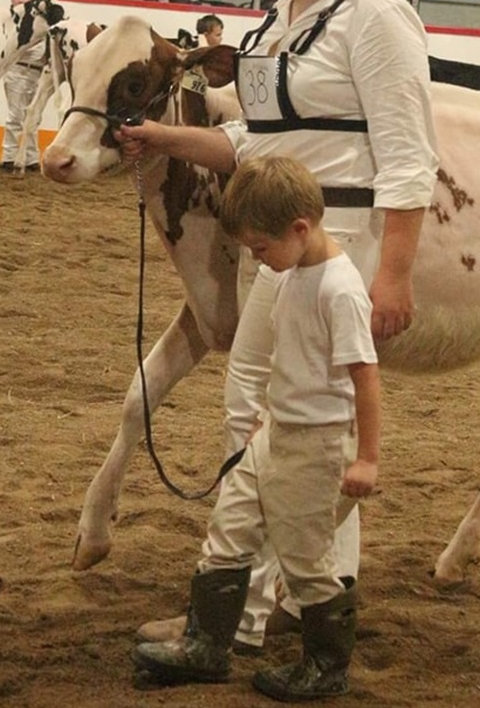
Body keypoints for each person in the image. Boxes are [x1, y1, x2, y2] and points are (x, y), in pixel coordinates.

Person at [120, 0, 438, 663]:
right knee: (269, 420)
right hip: (273, 247)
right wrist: (164, 139)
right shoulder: (285, 13)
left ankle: (244, 616)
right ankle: (308, 595)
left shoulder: (377, 14)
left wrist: (393, 271)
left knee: (285, 426)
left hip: (340, 250)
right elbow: (252, 141)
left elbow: (408, 160)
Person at [132, 155, 381, 700]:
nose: (257, 260)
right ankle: (207, 641)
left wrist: (365, 457)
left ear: (299, 229)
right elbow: (290, 358)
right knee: (228, 528)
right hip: (274, 437)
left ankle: (325, 664)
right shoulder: (291, 271)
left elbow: (365, 375)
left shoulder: (339, 289)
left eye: (260, 249)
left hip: (315, 447)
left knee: (306, 557)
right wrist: (265, 420)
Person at [0, 0, 46, 172]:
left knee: (33, 117)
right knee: (16, 116)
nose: (21, 1)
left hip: (39, 73)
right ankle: (8, 157)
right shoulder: (8, 22)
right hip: (17, 71)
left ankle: (31, 158)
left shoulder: (43, 22)